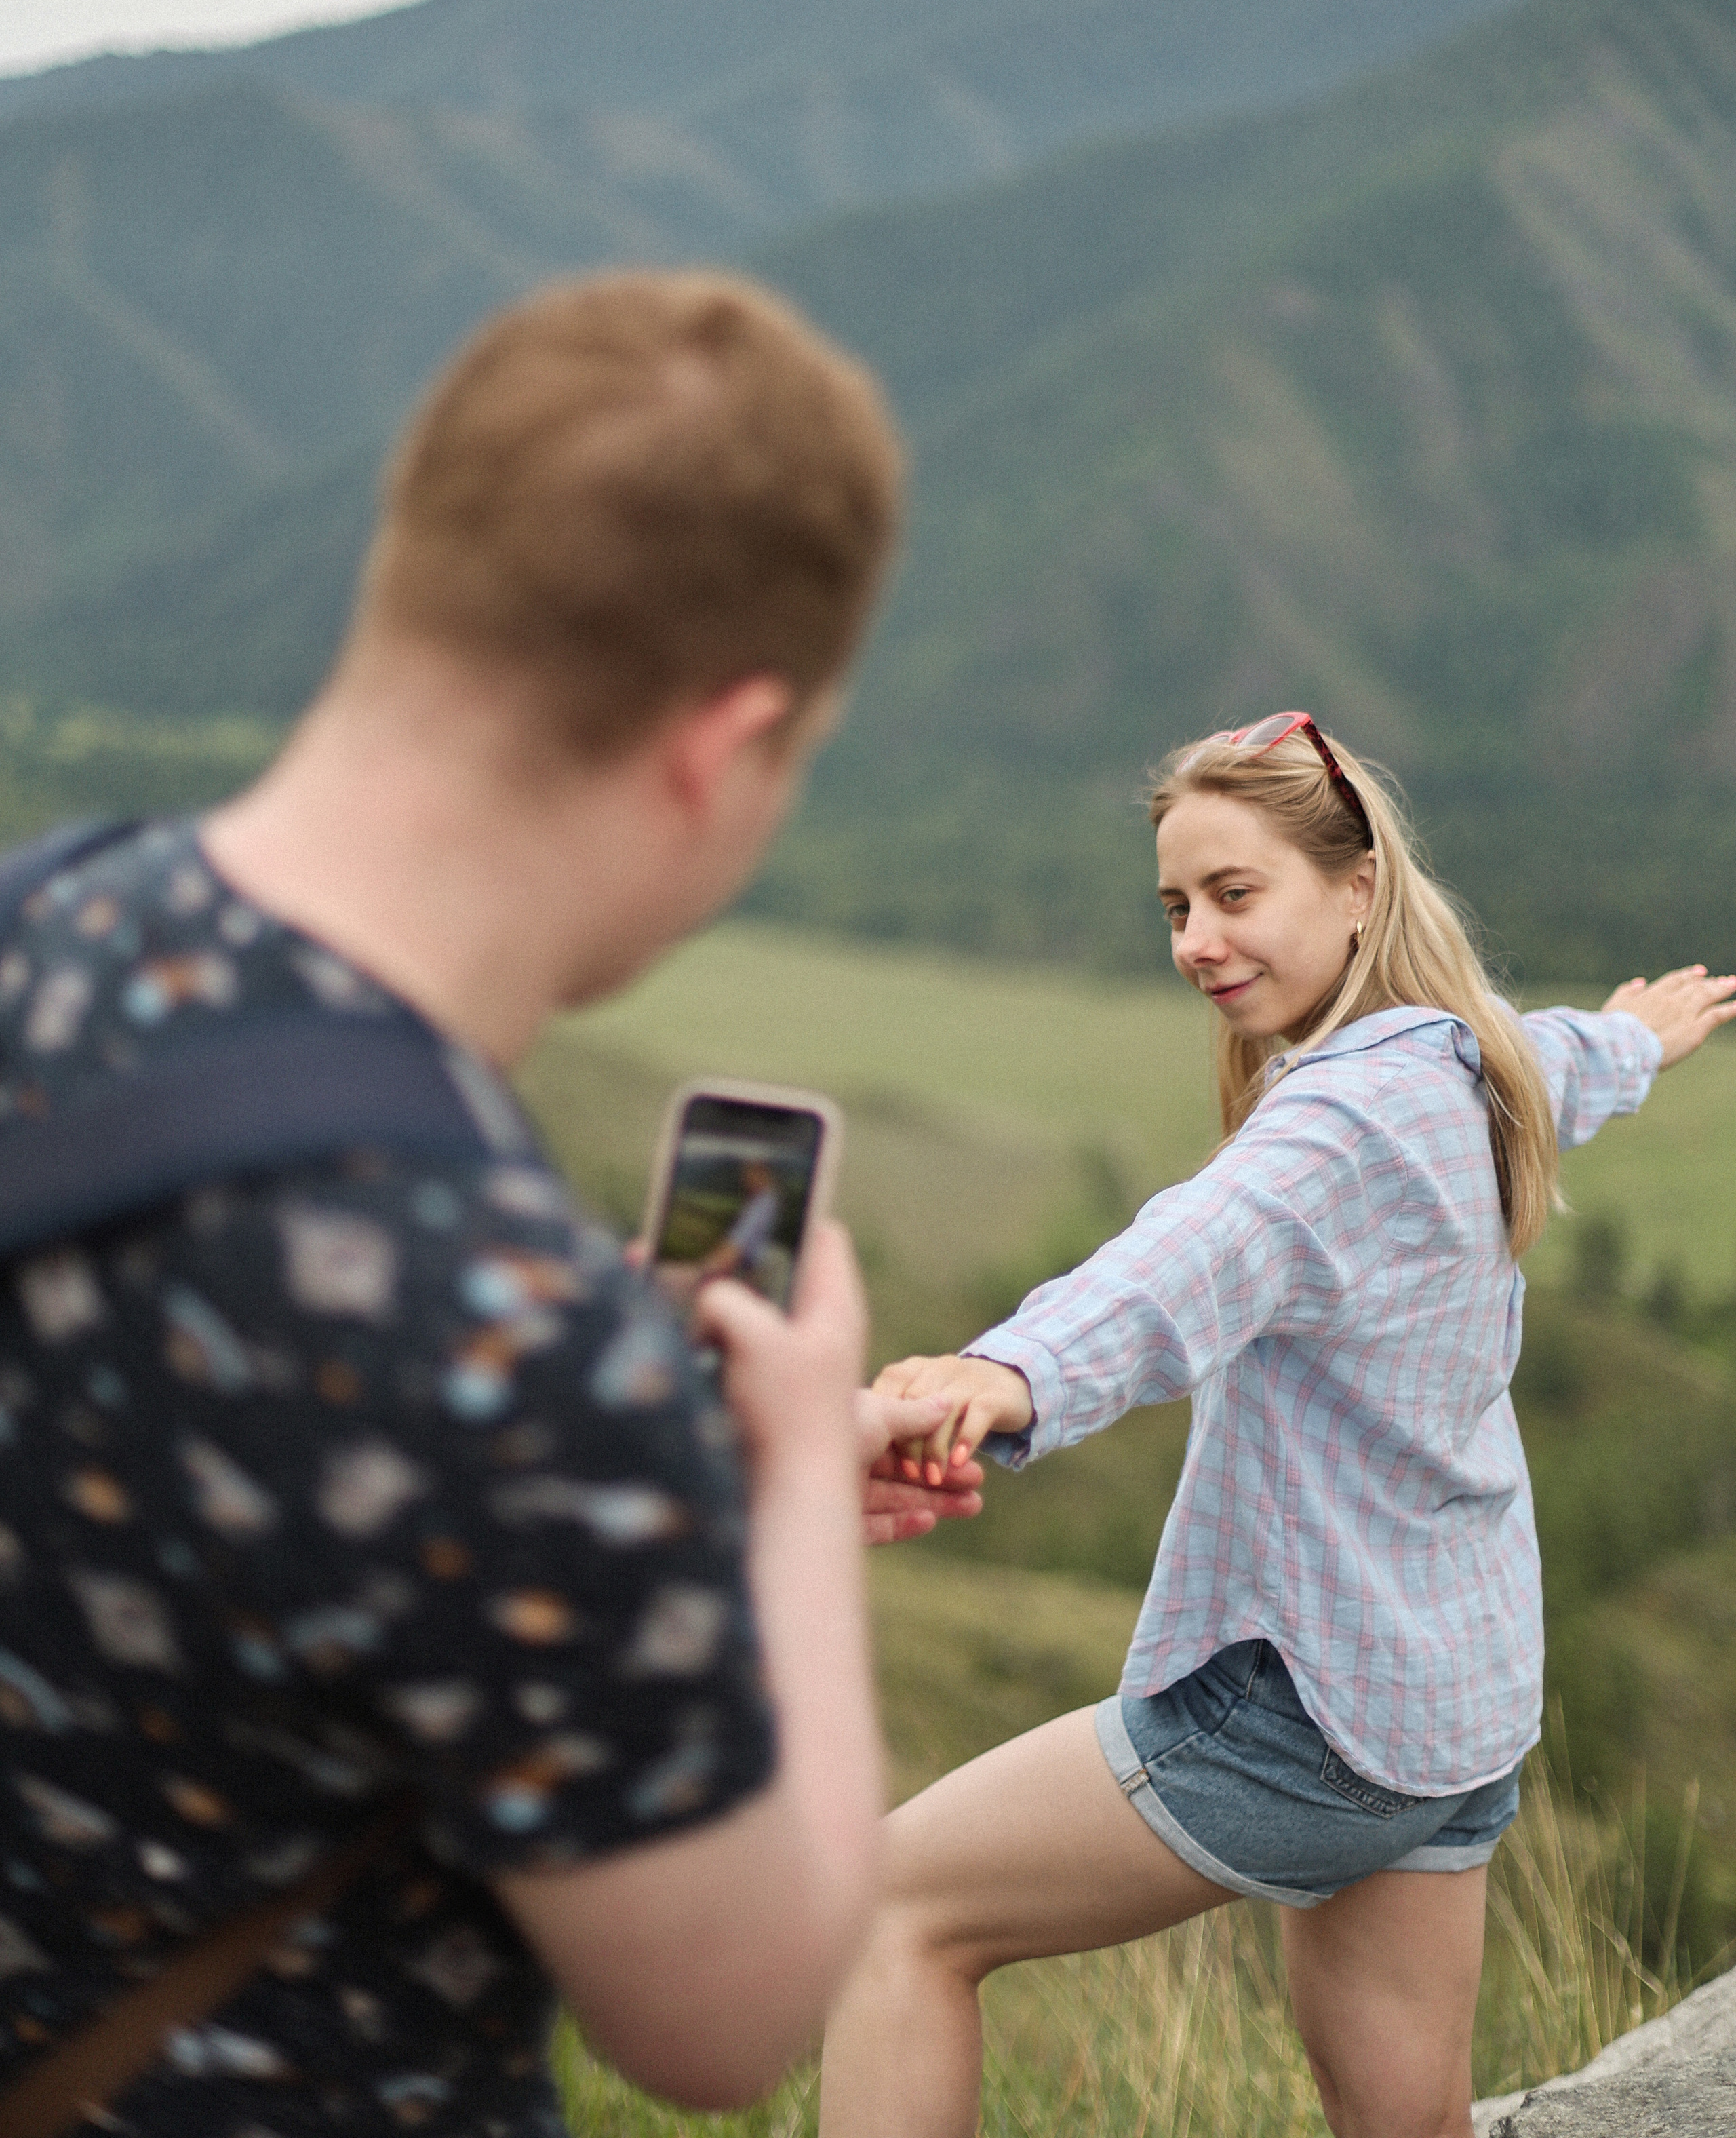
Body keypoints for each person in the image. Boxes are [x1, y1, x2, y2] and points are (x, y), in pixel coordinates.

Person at [0, 271, 979, 2138]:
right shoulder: (515, 1345)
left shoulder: (40, 918)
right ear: (721, 744)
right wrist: (771, 1482)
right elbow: (722, 2021)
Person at [832, 710, 1736, 2138]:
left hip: (1304, 1716)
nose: (1196, 939)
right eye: (1177, 906)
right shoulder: (1468, 1067)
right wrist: (1635, 1037)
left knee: (890, 1912)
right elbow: (1560, 1058)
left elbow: (1173, 1265)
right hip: (1450, 1725)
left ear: (1355, 888)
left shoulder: (1333, 1129)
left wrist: (994, 1379)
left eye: (1234, 894)